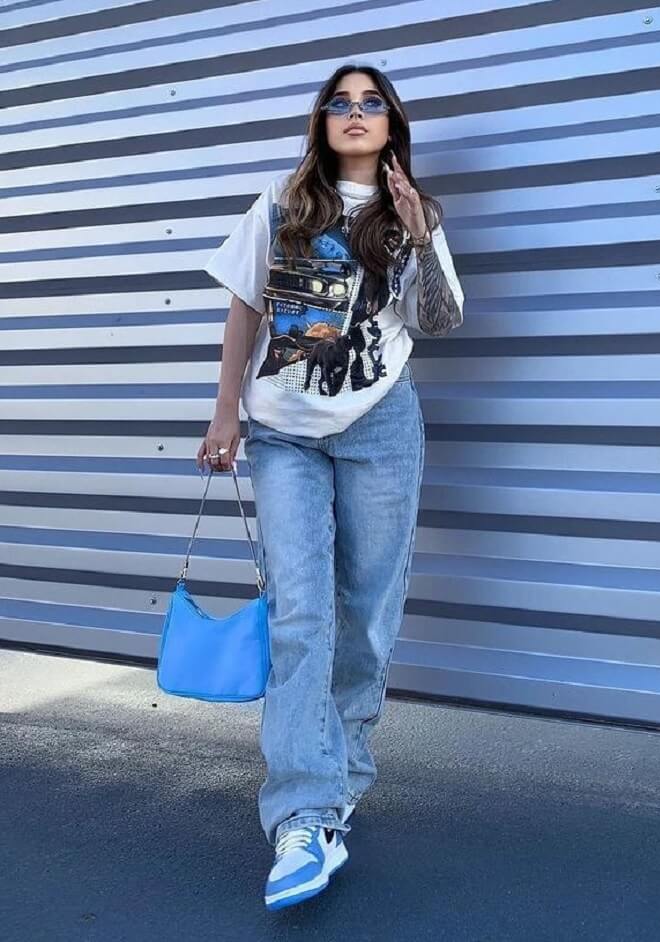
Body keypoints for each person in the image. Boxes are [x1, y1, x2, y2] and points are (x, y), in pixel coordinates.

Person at [197, 63, 464, 911]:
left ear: (391, 125)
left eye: (371, 103)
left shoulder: (412, 214)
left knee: (367, 617)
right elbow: (244, 308)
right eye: (340, 103)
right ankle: (302, 815)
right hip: (282, 433)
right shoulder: (282, 204)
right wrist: (225, 413)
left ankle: (339, 777)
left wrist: (419, 236)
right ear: (321, 121)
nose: (355, 113)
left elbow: (439, 320)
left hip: (381, 426)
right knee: (301, 615)